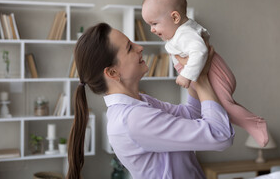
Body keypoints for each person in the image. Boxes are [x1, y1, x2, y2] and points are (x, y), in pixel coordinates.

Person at [67, 22, 234, 179]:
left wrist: (191, 69)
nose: (140, 47)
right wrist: (202, 77)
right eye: (130, 48)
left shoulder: (140, 103)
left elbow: (192, 114)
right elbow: (221, 136)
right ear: (112, 73)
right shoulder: (133, 119)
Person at [141, 0, 268, 148]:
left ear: (175, 17)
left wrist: (186, 75)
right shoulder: (178, 33)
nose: (151, 30)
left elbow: (200, 51)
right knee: (206, 107)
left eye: (154, 23)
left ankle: (255, 124)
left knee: (222, 107)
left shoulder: (185, 33)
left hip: (213, 73)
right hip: (202, 75)